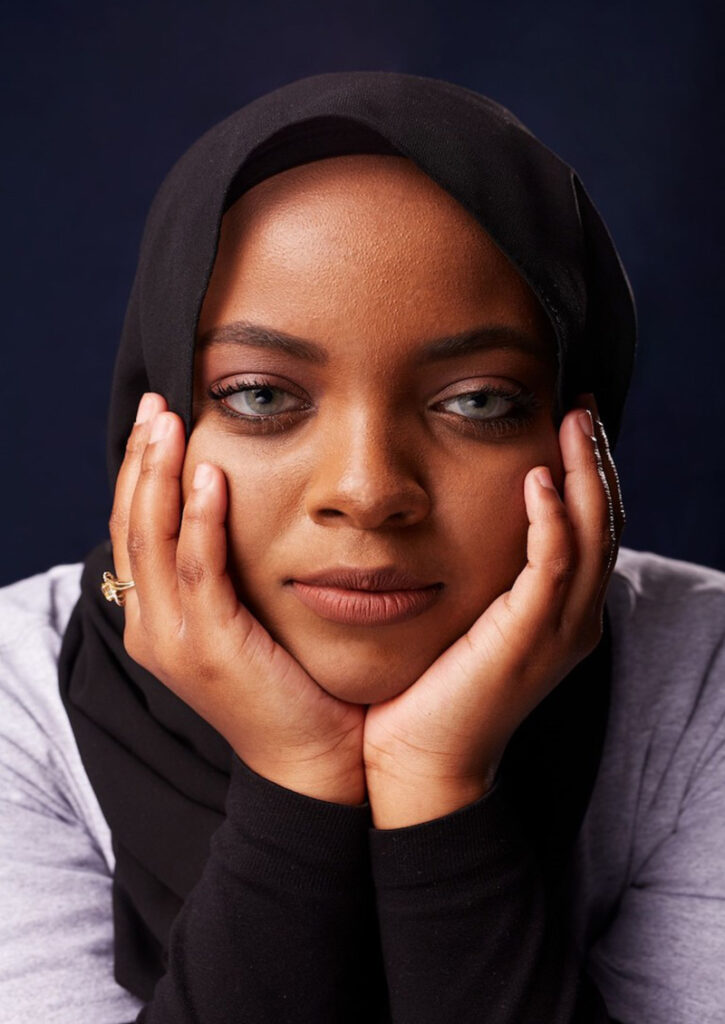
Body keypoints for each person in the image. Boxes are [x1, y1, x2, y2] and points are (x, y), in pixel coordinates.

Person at [0, 71, 723, 1024]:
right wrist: (298, 784)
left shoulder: (702, 673)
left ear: (575, 431)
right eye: (261, 395)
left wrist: (437, 789)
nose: (368, 491)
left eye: (476, 402)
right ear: (159, 417)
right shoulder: (16, 702)